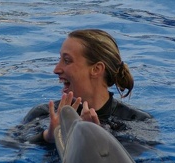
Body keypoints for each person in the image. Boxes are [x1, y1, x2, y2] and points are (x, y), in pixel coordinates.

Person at [16, 29, 153, 146]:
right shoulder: (44, 114)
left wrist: (97, 137)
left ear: (96, 69)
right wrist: (49, 137)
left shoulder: (137, 121)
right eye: (59, 60)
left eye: (67, 60)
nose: (56, 69)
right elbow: (11, 146)